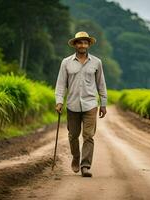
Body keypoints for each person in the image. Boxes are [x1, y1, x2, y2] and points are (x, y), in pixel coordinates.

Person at [54, 31, 107, 177]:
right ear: (75, 45)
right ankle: (76, 157)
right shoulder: (66, 62)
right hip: (72, 105)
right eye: (80, 42)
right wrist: (59, 102)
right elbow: (60, 85)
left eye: (85, 42)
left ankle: (85, 166)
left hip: (90, 104)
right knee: (73, 135)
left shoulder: (97, 62)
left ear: (88, 44)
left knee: (88, 136)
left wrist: (103, 103)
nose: (82, 45)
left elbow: (101, 84)